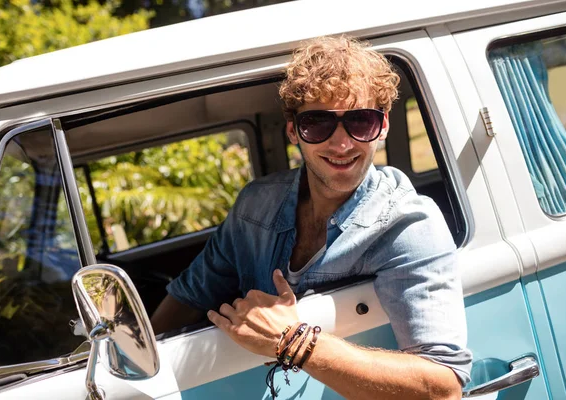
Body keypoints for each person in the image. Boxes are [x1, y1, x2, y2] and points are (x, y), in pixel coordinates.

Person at [151, 35, 472, 399]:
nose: (341, 144)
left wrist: (295, 342)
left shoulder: (407, 224)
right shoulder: (254, 205)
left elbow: (443, 388)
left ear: (382, 126)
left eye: (360, 122)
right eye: (318, 124)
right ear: (293, 131)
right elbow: (189, 295)